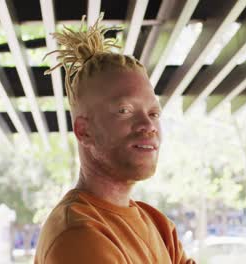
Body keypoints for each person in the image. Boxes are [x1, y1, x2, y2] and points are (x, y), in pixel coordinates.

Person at [34, 14, 195, 264]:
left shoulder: (159, 226)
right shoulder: (78, 235)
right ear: (84, 131)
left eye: (153, 113)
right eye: (124, 111)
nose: (148, 125)